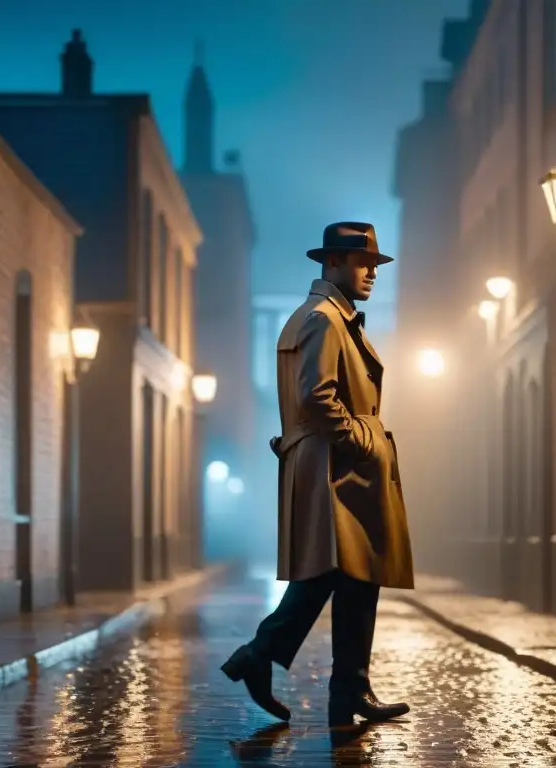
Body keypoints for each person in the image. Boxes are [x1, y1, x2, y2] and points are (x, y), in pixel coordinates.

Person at [221, 221, 415, 729]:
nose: (371, 273)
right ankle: (271, 658)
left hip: (336, 463)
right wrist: (359, 441)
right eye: (361, 263)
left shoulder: (330, 317)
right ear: (331, 263)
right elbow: (316, 395)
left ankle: (341, 687)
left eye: (374, 264)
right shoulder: (325, 320)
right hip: (339, 465)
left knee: (351, 575)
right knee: (336, 572)